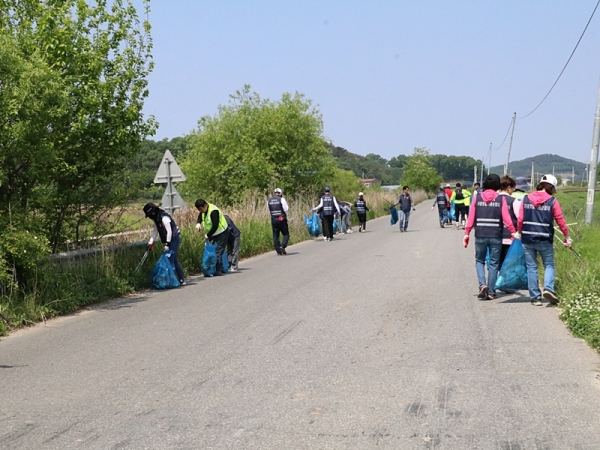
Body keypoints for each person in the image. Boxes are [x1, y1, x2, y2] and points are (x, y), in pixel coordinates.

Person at [516, 174, 571, 306]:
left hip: (528, 238)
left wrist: (519, 232)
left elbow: (520, 218)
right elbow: (560, 220)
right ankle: (548, 289)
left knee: (531, 267)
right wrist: (567, 236)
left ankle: (535, 298)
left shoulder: (526, 198)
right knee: (549, 265)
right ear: (551, 187)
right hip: (545, 238)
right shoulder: (552, 201)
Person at [463, 174, 516, 300]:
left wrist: (467, 233)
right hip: (496, 235)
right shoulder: (500, 199)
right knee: (494, 263)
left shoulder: (477, 198)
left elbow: (471, 217)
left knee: (479, 260)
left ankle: (482, 284)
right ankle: (491, 292)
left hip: (480, 234)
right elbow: (507, 219)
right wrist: (513, 232)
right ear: (498, 186)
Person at [143, 203, 186, 285]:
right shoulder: (156, 218)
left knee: (170, 259)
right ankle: (180, 278)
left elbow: (169, 231)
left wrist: (168, 244)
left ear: (153, 212)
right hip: (169, 240)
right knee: (174, 260)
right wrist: (150, 242)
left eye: (149, 214)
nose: (149, 216)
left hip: (174, 239)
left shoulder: (164, 217)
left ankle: (171, 280)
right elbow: (156, 231)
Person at [195, 199, 230, 275]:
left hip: (221, 232)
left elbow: (215, 226)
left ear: (205, 205)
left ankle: (218, 270)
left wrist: (208, 235)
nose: (200, 211)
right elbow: (201, 215)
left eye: (201, 209)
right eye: (199, 210)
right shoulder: (204, 210)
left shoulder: (213, 211)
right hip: (213, 233)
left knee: (218, 251)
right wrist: (198, 223)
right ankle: (213, 268)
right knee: (213, 250)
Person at [497, 175, 518, 270]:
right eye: (513, 188)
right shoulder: (514, 201)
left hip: (496, 237)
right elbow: (519, 219)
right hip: (510, 237)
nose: (513, 190)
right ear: (509, 187)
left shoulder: (495, 200)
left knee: (497, 263)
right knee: (509, 264)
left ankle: (496, 281)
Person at [267, 188, 289, 255]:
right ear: (280, 193)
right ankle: (283, 246)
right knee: (286, 234)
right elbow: (286, 209)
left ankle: (278, 250)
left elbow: (268, 210)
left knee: (276, 236)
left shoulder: (269, 200)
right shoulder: (281, 199)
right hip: (281, 219)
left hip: (273, 219)